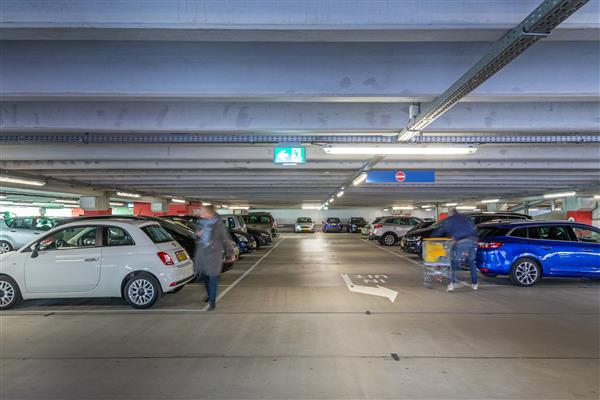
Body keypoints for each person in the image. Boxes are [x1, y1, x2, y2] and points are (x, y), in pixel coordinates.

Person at [193, 205, 233, 310]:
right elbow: (195, 236)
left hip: (213, 255)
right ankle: (209, 294)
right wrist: (197, 234)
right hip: (202, 255)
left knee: (212, 278)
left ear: (210, 213)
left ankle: (212, 302)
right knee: (204, 277)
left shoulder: (218, 225)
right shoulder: (201, 224)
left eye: (204, 212)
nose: (202, 214)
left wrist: (229, 253)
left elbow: (226, 239)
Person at [432, 209, 479, 292]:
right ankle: (475, 284)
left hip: (460, 242)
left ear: (451, 214)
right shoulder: (466, 218)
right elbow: (474, 228)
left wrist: (433, 236)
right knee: (471, 261)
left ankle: (452, 284)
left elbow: (442, 230)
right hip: (473, 241)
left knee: (453, 262)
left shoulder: (451, 220)